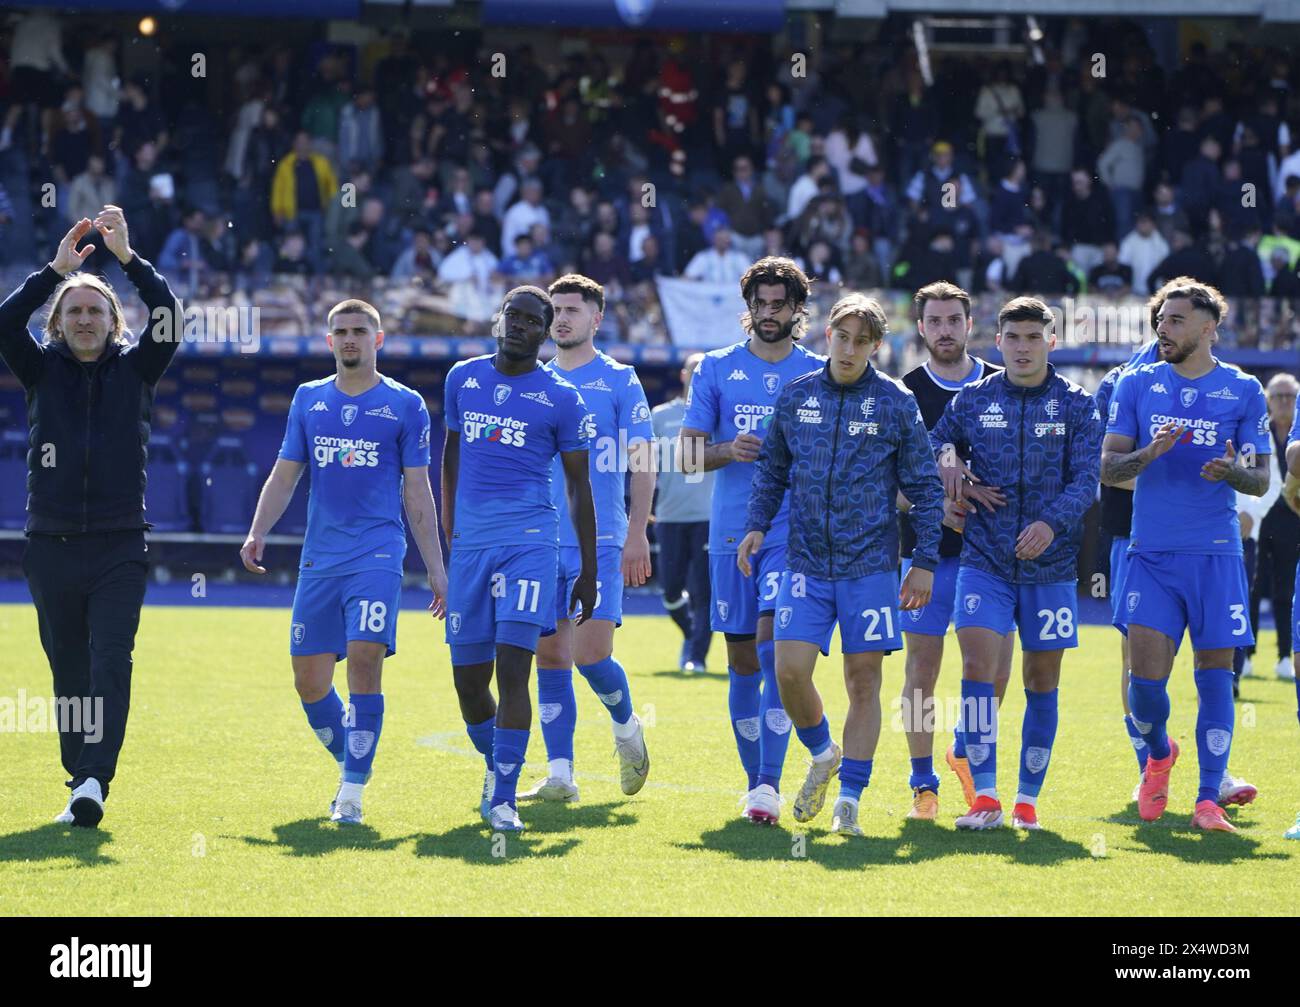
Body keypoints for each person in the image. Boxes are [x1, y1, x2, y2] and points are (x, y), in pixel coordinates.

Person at [0, 209, 181, 827]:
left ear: (113, 322)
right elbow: (2, 322)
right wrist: (55, 271)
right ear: (58, 320)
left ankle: (96, 778)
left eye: (95, 311)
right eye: (73, 310)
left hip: (119, 545)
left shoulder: (138, 370)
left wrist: (128, 259)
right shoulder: (39, 369)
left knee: (111, 658)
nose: (83, 319)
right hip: (49, 545)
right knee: (70, 670)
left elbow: (171, 316)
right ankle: (80, 779)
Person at [738, 294, 943, 836]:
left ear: (878, 345)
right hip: (804, 563)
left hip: (871, 567)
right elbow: (771, 471)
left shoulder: (897, 402)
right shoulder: (796, 395)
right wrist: (756, 524)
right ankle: (822, 751)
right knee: (787, 671)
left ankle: (849, 798)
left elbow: (925, 487)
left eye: (861, 341)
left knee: (863, 681)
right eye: (841, 337)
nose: (849, 349)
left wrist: (924, 562)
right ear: (826, 335)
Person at [240, 299, 447, 826]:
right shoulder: (309, 399)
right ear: (329, 340)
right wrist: (258, 530)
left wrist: (438, 572)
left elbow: (418, 492)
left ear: (378, 340)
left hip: (378, 553)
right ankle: (354, 759)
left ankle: (351, 794)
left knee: (363, 659)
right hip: (320, 558)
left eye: (359, 331)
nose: (349, 339)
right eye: (340, 332)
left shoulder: (405, 405)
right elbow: (286, 473)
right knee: (309, 682)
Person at [1101, 280, 1273, 833]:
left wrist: (1231, 472)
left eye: (1176, 320)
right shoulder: (1138, 383)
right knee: (1145, 687)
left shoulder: (1243, 390)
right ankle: (1158, 753)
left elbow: (1260, 478)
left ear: (1208, 328)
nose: (1163, 329)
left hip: (1217, 555)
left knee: (1214, 676)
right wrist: (1150, 453)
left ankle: (1206, 800)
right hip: (1150, 552)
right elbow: (1108, 468)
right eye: (1161, 320)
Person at [932, 296, 1103, 830]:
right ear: (998, 341)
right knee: (978, 671)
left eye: (1034, 337)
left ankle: (1028, 799)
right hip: (983, 559)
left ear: (1051, 341)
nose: (1023, 347)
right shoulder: (972, 399)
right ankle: (985, 797)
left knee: (1040, 680)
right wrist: (953, 467)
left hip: (1052, 568)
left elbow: (1087, 481)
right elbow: (933, 443)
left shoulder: (1077, 404)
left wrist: (1050, 524)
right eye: (1014, 337)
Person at [440, 286, 598, 833]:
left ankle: (505, 797)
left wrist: (587, 571)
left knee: (514, 671)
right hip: (472, 549)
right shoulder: (462, 379)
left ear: (546, 331)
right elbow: (451, 458)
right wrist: (450, 535)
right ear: (499, 320)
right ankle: (497, 764)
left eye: (534, 321)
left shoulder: (561, 397)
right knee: (467, 680)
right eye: (514, 316)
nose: (521, 327)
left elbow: (580, 488)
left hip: (532, 544)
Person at [680, 257, 824, 824]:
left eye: (779, 305)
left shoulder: (817, 372)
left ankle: (769, 782)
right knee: (742, 660)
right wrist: (726, 450)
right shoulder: (716, 368)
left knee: (772, 648)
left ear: (796, 310)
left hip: (794, 534)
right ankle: (756, 785)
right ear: (749, 309)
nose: (768, 314)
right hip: (730, 534)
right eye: (759, 305)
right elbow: (687, 456)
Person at [519, 274, 654, 803]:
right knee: (550, 657)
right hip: (539, 539)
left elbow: (643, 462)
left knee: (591, 655)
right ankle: (560, 775)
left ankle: (627, 729)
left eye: (573, 310)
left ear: (597, 319)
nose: (561, 318)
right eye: (555, 309)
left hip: (600, 539)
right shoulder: (534, 381)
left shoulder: (620, 381)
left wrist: (639, 532)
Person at [897, 282, 1013, 819]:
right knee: (921, 667)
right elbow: (884, 483)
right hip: (925, 554)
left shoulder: (1003, 383)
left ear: (971, 324)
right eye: (934, 321)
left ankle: (967, 751)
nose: (944, 329)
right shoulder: (903, 392)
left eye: (953, 320)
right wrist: (932, 507)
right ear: (921, 328)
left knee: (995, 673)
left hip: (991, 556)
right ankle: (924, 784)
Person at [653, 353, 715, 673]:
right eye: (693, 371)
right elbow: (644, 466)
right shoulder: (660, 416)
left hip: (707, 516)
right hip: (669, 515)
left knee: (704, 592)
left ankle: (696, 656)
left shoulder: (717, 416)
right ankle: (693, 636)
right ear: (682, 375)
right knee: (670, 591)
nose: (697, 376)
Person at [1246, 373, 1300, 683]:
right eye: (1278, 396)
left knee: (1286, 589)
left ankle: (1284, 656)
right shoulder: (1257, 429)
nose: (1284, 402)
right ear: (1268, 399)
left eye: (1290, 396)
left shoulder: (1298, 435)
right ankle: (1248, 656)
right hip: (1255, 517)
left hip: (1291, 518)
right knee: (1251, 586)